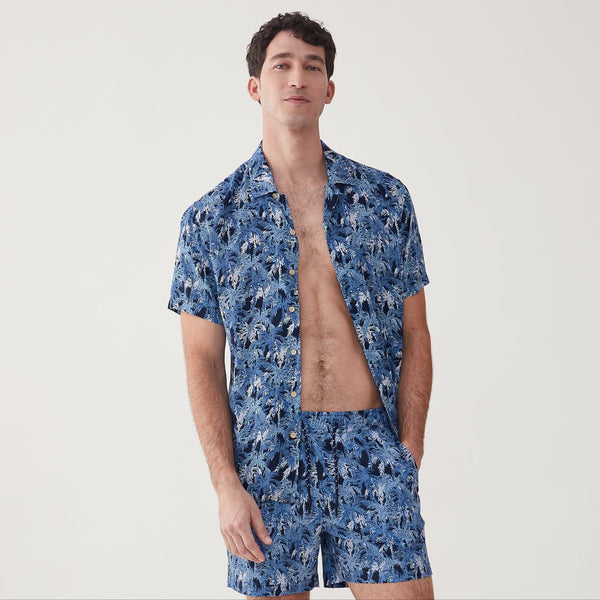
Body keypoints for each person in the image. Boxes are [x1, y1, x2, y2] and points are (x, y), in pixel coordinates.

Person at [167, 11, 435, 600]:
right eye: (281, 65)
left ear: (329, 89)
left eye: (312, 67)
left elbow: (416, 331)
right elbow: (201, 361)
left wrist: (408, 447)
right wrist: (225, 484)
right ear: (255, 86)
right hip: (266, 455)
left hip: (370, 444)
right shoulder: (210, 219)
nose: (297, 78)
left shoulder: (384, 200)